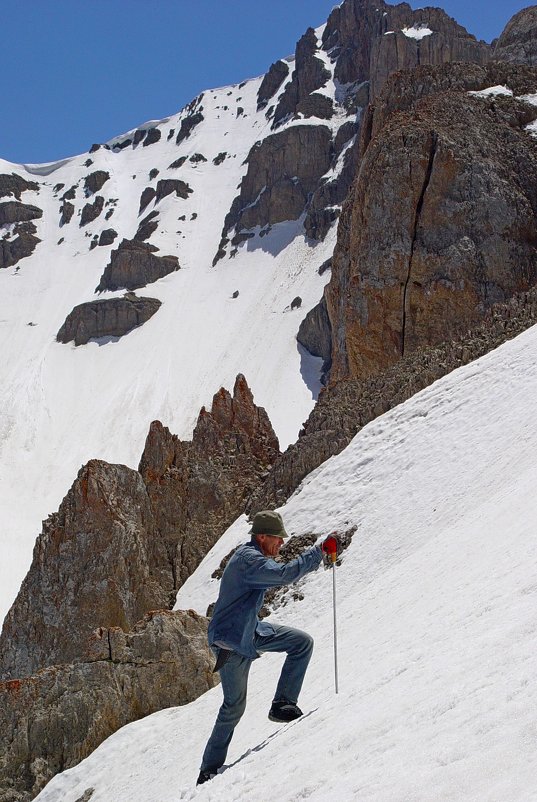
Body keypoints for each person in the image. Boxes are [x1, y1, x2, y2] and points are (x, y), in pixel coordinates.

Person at [197, 509, 325, 786]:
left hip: (251, 633)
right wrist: (319, 552)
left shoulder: (253, 557)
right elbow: (285, 574)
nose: (281, 544)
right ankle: (207, 771)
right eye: (277, 539)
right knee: (233, 706)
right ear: (262, 536)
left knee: (301, 642)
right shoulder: (249, 560)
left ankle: (282, 705)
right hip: (230, 644)